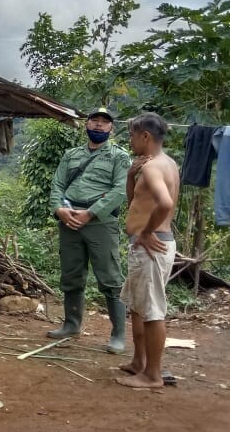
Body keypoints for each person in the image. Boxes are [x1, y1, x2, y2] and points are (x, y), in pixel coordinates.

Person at [48, 108, 131, 353]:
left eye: (104, 122)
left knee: (110, 279)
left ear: (111, 129)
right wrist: (59, 210)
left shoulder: (119, 156)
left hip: (100, 222)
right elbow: (57, 184)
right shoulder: (71, 154)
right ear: (86, 124)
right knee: (71, 274)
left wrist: (91, 212)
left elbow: (120, 190)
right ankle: (71, 325)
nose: (98, 125)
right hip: (69, 219)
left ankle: (118, 335)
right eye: (94, 120)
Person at [117, 113, 179, 389]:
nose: (130, 140)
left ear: (145, 137)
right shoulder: (163, 164)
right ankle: (139, 362)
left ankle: (153, 375)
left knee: (152, 310)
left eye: (132, 135)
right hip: (147, 247)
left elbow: (165, 204)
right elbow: (135, 203)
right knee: (138, 306)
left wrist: (146, 231)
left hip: (152, 247)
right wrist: (131, 175)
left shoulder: (154, 168)